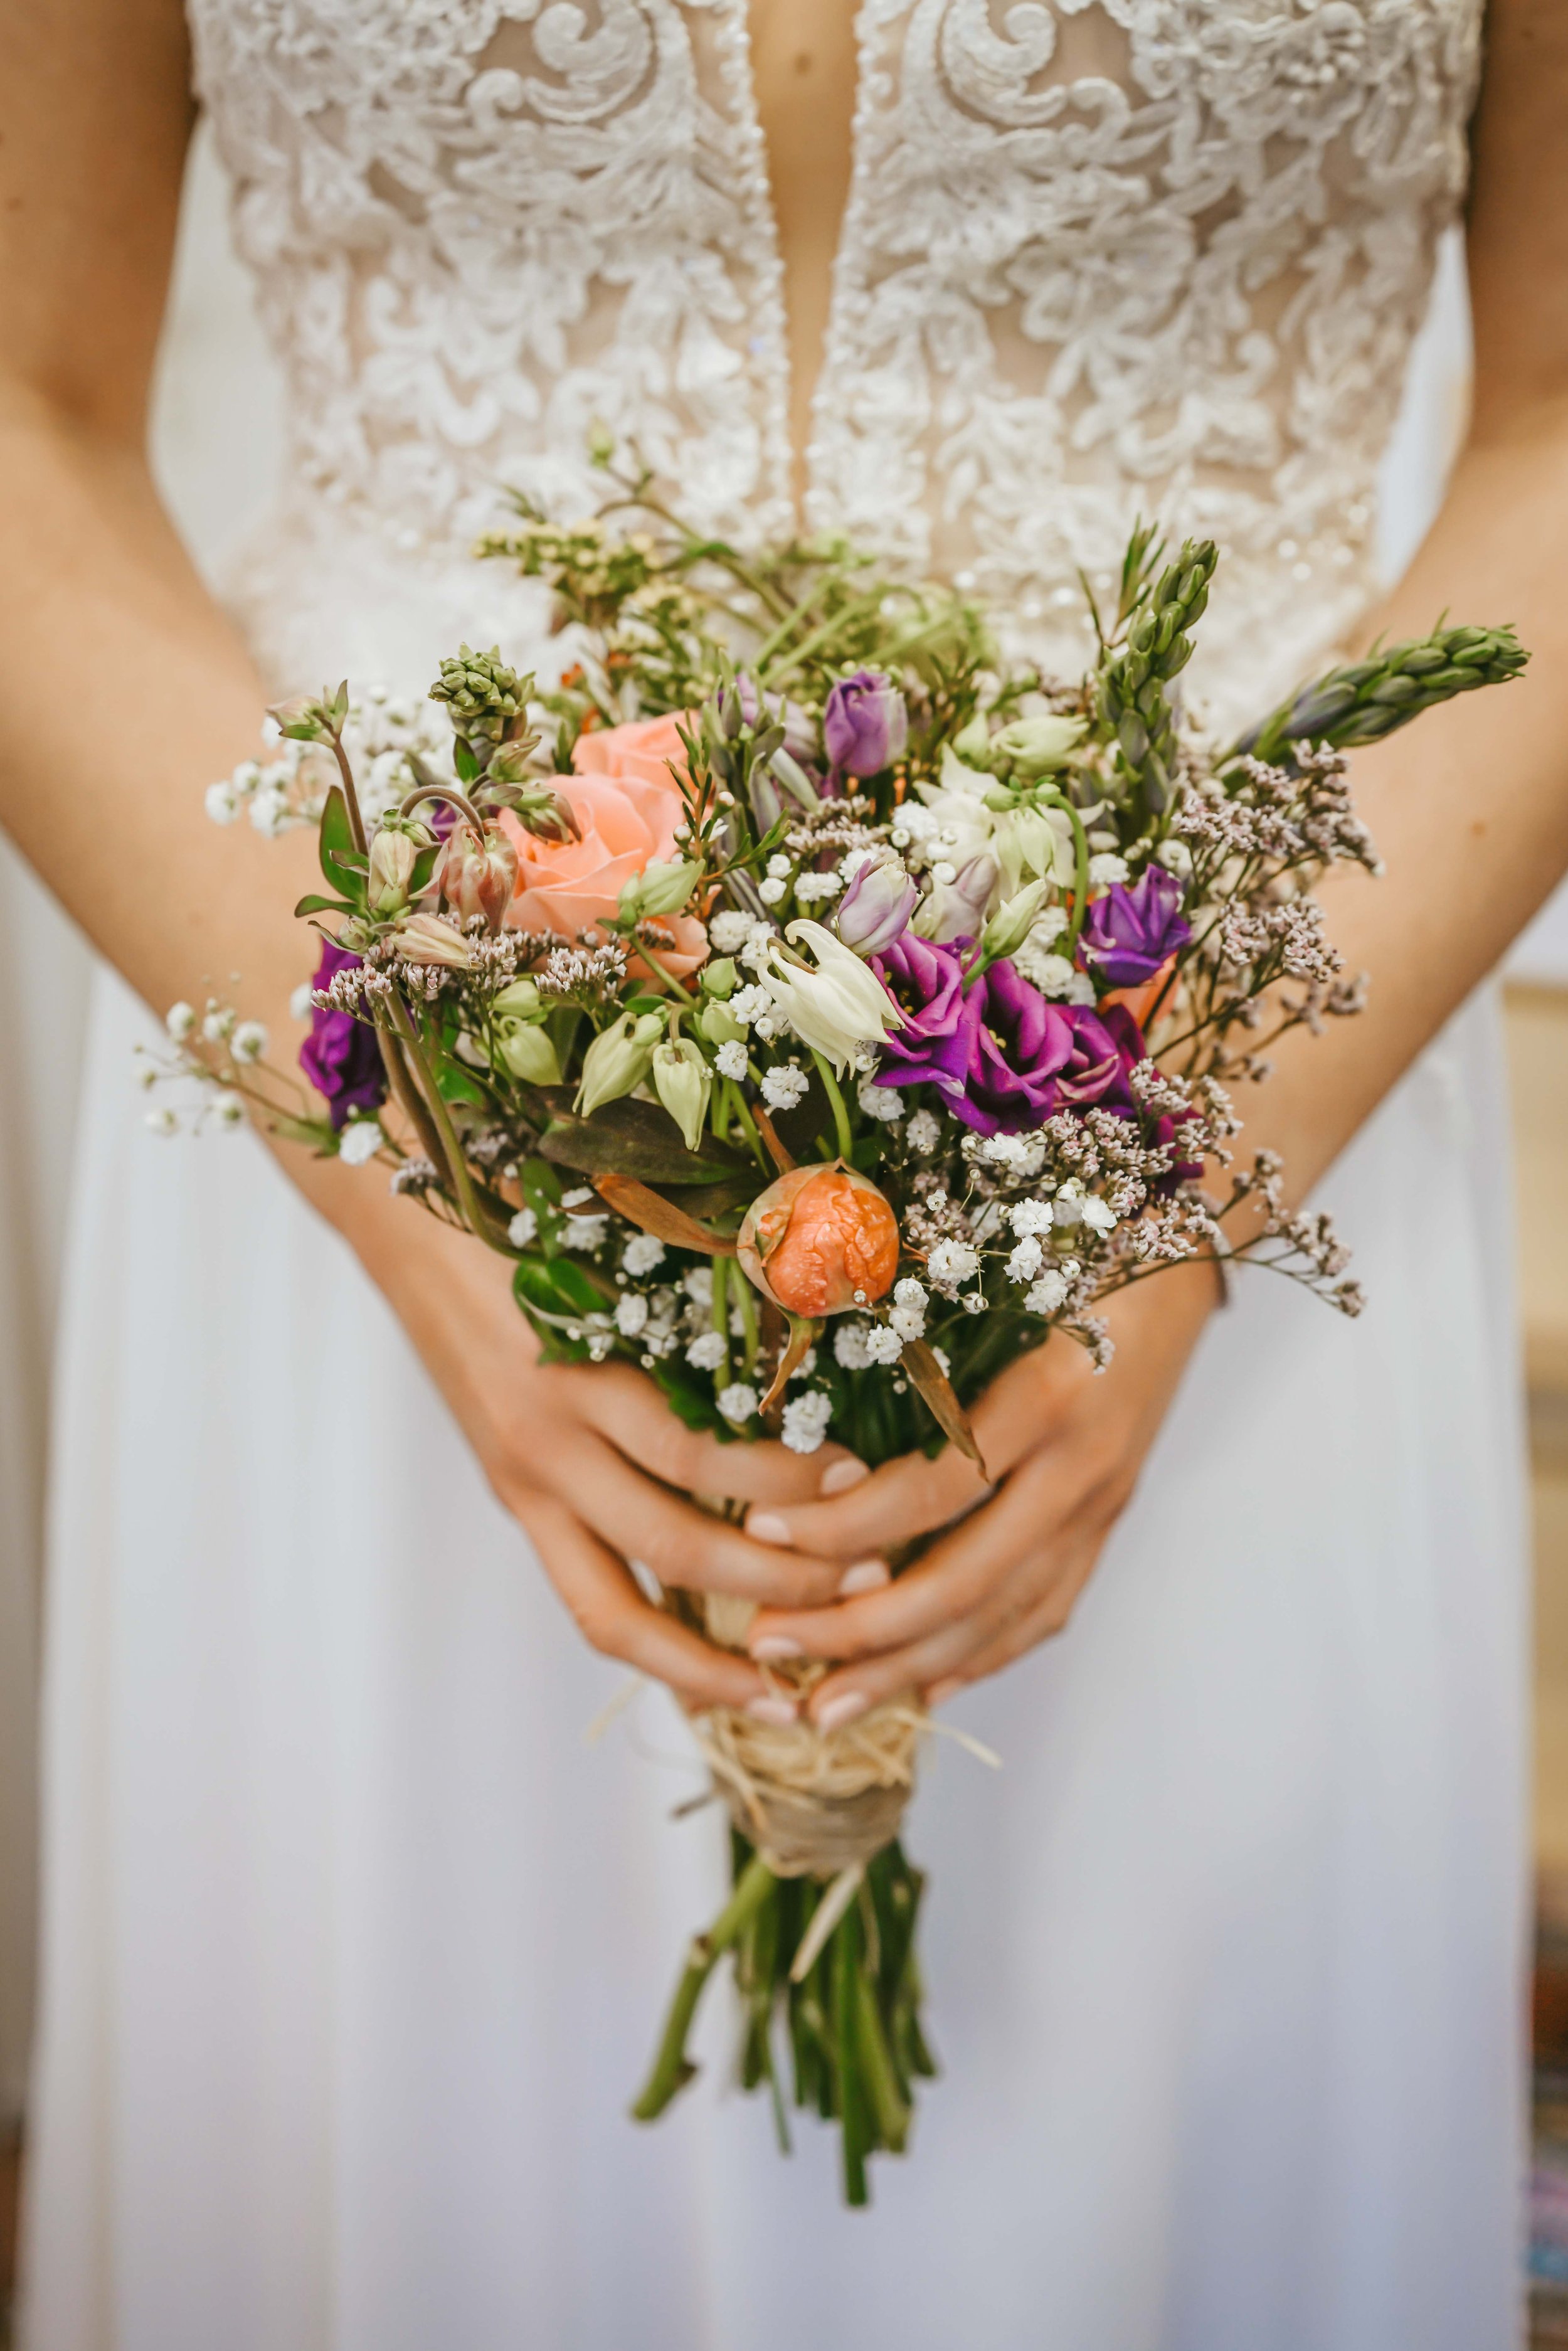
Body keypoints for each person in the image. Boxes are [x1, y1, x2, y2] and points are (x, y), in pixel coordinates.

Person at [4, 2, 1564, 2343]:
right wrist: (414, 1166)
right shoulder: (390, 1196)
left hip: (1226, 1192)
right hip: (376, 1237)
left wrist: (1185, 1176)